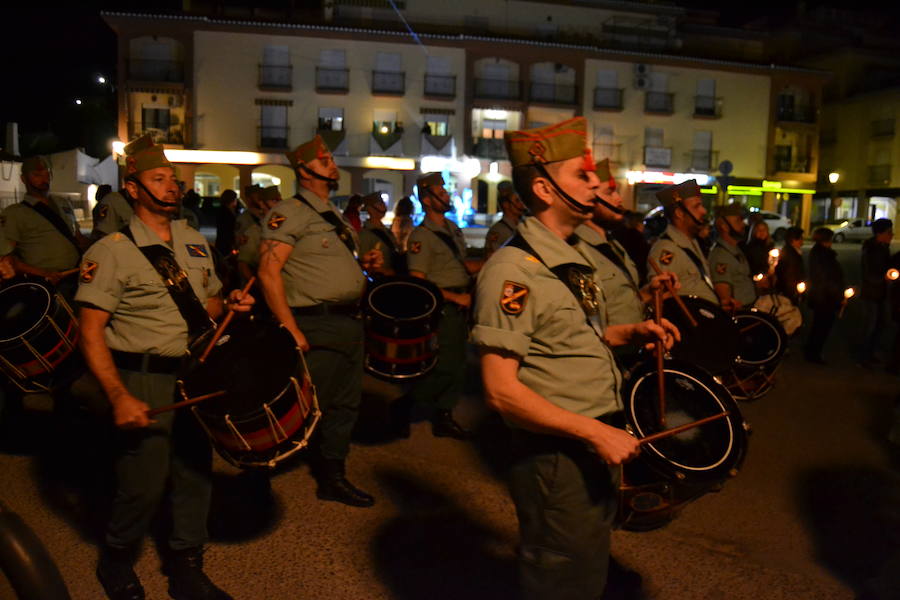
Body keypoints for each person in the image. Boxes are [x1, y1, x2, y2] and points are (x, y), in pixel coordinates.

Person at [473, 116, 678, 600]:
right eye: (582, 176)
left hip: (590, 437)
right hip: (557, 454)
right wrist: (594, 431)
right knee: (561, 573)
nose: (596, 186)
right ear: (545, 188)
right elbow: (501, 392)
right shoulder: (513, 272)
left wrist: (632, 330)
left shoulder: (566, 255)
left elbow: (577, 336)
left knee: (586, 558)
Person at [76, 135, 253, 600]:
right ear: (132, 188)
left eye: (173, 179)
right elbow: (90, 331)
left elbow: (209, 306)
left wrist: (230, 302)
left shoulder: (195, 242)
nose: (172, 187)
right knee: (144, 483)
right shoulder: (110, 251)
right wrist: (117, 394)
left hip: (192, 373)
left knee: (195, 474)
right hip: (142, 377)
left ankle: (187, 566)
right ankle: (116, 558)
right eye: (159, 179)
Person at [257, 134, 382, 508]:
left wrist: (362, 267)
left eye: (329, 157)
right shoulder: (291, 212)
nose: (332, 163)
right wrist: (290, 328)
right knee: (305, 403)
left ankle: (332, 476)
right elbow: (268, 272)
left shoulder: (333, 216)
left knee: (345, 404)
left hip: (349, 322)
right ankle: (259, 472)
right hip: (316, 322)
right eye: (324, 159)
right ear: (304, 169)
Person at [392, 172, 481, 440]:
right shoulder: (422, 236)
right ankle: (404, 406)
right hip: (443, 308)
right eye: (441, 193)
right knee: (445, 365)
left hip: (461, 305)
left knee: (459, 364)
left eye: (445, 191)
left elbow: (463, 266)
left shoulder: (452, 229)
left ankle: (444, 416)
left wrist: (493, 262)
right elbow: (419, 283)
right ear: (427, 201)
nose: (447, 195)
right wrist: (456, 298)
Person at [576, 158, 679, 328]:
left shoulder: (612, 244)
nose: (619, 199)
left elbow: (618, 301)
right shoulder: (578, 248)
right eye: (610, 193)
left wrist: (648, 293)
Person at [2, 156, 89, 300]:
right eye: (37, 175)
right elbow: (8, 259)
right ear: (23, 179)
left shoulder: (63, 203)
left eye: (47, 174)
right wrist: (42, 273)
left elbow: (78, 237)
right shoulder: (14, 213)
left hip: (77, 276)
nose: (44, 179)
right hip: (46, 283)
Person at [647, 180, 718, 304]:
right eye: (697, 206)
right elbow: (661, 299)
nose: (704, 211)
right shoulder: (666, 249)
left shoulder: (691, 241)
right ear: (679, 213)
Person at [804, 227, 844, 365]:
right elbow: (825, 277)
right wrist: (837, 294)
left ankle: (812, 352)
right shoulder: (822, 255)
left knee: (819, 326)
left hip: (823, 296)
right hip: (825, 297)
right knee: (821, 327)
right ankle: (813, 353)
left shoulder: (821, 253)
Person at [709, 204, 757, 312]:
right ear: (724, 226)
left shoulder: (734, 249)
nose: (743, 225)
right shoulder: (721, 256)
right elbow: (725, 298)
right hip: (741, 312)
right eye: (738, 221)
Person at [858, 218, 894, 366]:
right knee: (871, 326)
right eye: (889, 232)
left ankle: (870, 353)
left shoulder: (883, 247)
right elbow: (868, 274)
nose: (891, 235)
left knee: (882, 324)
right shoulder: (871, 249)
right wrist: (883, 278)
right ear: (880, 233)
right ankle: (863, 357)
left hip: (881, 292)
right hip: (872, 293)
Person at [236, 185, 281, 285]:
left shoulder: (284, 227)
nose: (279, 205)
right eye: (274, 201)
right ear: (262, 204)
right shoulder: (254, 231)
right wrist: (258, 285)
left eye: (279, 200)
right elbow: (243, 265)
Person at [358, 192, 403, 275]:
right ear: (370, 209)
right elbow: (364, 263)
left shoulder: (386, 231)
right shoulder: (365, 235)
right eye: (380, 203)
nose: (384, 206)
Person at [483, 181, 526, 259]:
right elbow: (492, 258)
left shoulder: (524, 226)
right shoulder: (498, 230)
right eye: (517, 201)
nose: (522, 204)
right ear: (506, 205)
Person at [613, 210, 650, 283]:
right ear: (639, 224)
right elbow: (644, 257)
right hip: (637, 273)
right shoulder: (637, 237)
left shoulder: (620, 235)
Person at [774, 226, 805, 306]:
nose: (802, 241)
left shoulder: (791, 251)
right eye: (800, 238)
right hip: (790, 291)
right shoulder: (791, 254)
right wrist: (795, 291)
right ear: (793, 240)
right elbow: (789, 274)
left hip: (790, 290)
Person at [214, 189, 238, 258]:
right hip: (227, 245)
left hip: (221, 243)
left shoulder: (221, 211)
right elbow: (230, 230)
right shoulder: (228, 213)